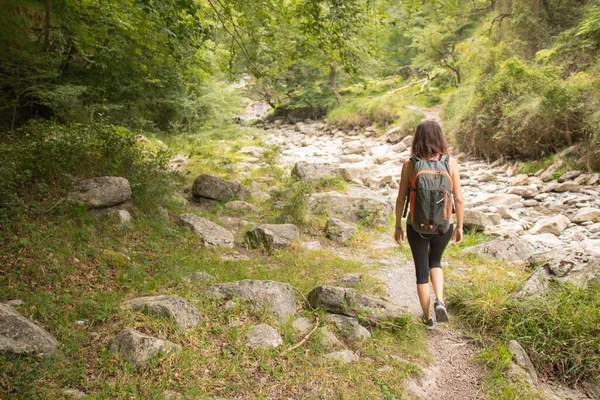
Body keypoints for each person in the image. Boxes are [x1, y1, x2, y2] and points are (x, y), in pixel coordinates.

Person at [394, 120, 464, 329]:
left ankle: (427, 317)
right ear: (439, 138)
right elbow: (459, 199)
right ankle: (440, 300)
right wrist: (459, 226)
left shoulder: (410, 164)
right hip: (444, 225)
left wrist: (398, 226)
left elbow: (401, 199)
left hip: (416, 225)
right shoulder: (450, 163)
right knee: (436, 262)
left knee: (421, 271)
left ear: (417, 139)